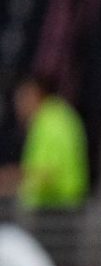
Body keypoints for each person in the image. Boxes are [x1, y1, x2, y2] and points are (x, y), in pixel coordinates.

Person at [9, 75, 89, 210]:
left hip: (58, 207)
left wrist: (10, 181)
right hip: (62, 204)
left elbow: (49, 173)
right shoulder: (57, 115)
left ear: (35, 95)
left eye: (22, 99)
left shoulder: (51, 122)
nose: (18, 107)